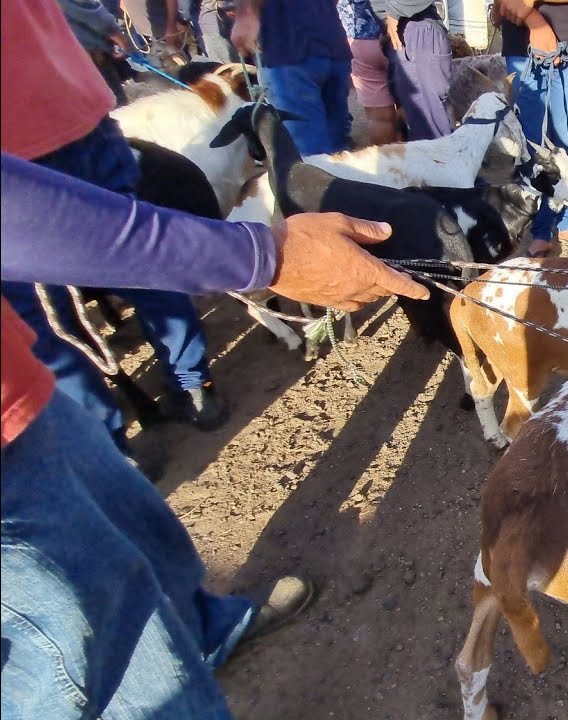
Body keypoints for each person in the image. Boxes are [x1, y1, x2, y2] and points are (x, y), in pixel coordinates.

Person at [1, 151, 430, 720]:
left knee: (141, 543)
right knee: (80, 650)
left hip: (25, 392)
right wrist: (259, 255)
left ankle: (200, 629)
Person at [2, 0, 236, 460]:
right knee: (138, 252)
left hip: (16, 152)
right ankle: (193, 387)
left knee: (44, 312)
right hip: (76, 110)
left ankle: (109, 441)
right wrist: (104, 27)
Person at [496, 0, 568, 257]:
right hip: (521, 41)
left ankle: (566, 222)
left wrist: (527, 4)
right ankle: (539, 229)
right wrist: (533, 19)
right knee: (532, 145)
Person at [230, 0, 354, 155]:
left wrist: (246, 14)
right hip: (331, 41)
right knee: (338, 148)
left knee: (310, 154)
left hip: (289, 50)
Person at [385, 0, 453, 141]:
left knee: (430, 134)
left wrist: (394, 10)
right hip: (405, 32)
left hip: (414, 29)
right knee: (419, 127)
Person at [339, 0, 400, 146]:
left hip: (359, 41)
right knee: (410, 109)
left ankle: (386, 164)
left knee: (379, 118)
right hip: (397, 34)